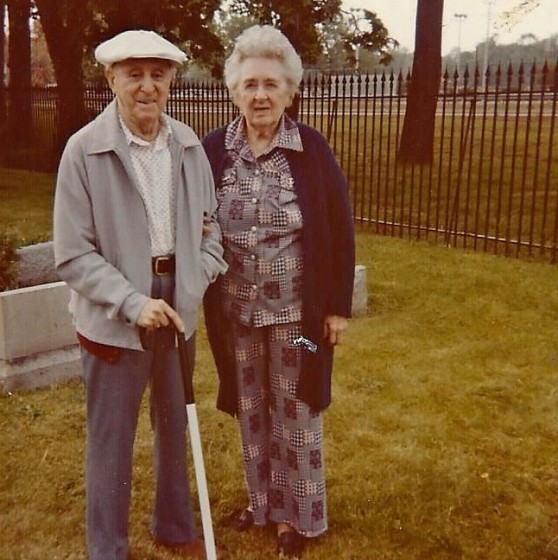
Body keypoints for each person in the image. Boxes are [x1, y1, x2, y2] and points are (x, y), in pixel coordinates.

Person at [53, 29, 227, 560]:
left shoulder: (188, 144)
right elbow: (74, 253)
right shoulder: (83, 150)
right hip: (115, 314)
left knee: (175, 423)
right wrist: (133, 303)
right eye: (134, 75)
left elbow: (210, 225)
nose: (147, 87)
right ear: (111, 79)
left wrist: (197, 275)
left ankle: (174, 526)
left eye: (158, 75)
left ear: (171, 80)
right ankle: (108, 549)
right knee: (112, 441)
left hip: (179, 303)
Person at [202, 25, 355, 559]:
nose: (260, 95)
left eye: (271, 84)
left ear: (290, 90)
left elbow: (338, 227)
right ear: (234, 91)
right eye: (250, 85)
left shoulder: (310, 148)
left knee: (298, 409)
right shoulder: (214, 150)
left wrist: (337, 307)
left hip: (299, 318)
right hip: (235, 313)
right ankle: (262, 504)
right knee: (251, 409)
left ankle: (299, 518)